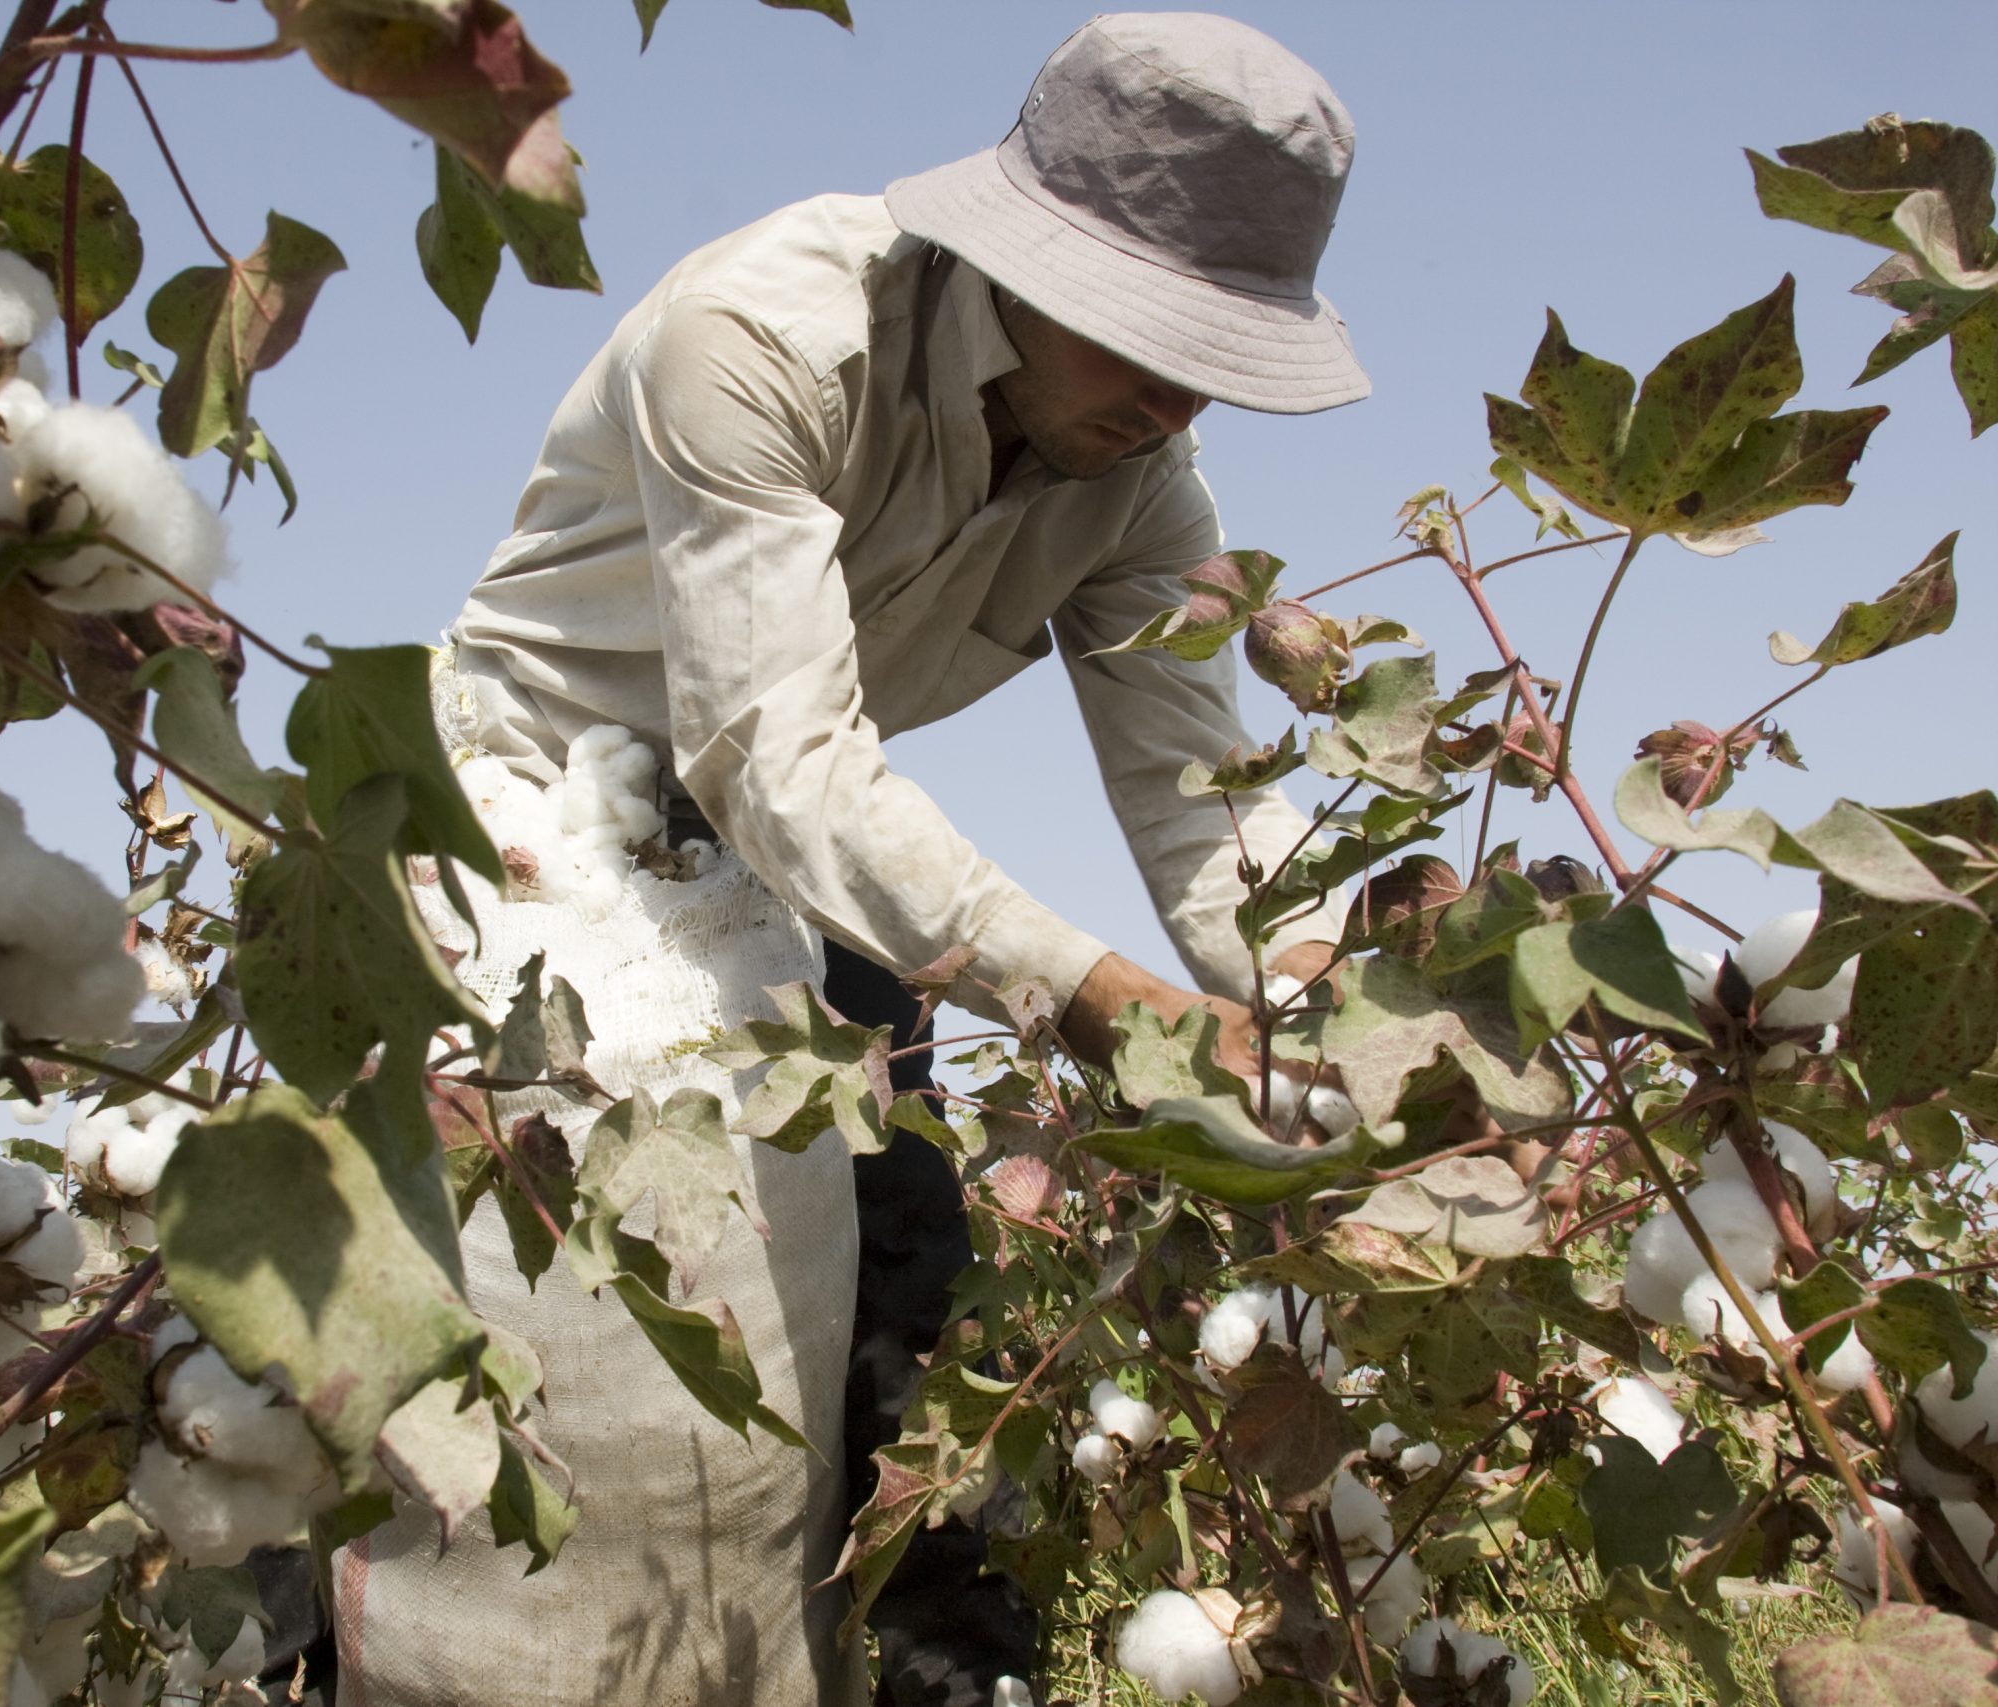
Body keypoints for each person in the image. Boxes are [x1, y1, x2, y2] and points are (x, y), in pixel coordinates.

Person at [335, 14, 1366, 1706]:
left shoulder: (1143, 485)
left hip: (774, 886)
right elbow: (781, 759)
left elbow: (1204, 788)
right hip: (521, 816)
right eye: (1149, 335)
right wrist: (1101, 1000)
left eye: (1219, 351)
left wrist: (1321, 996)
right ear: (1022, 256)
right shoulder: (766, 334)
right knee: (540, 1345)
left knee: (906, 1311)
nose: (1178, 390)